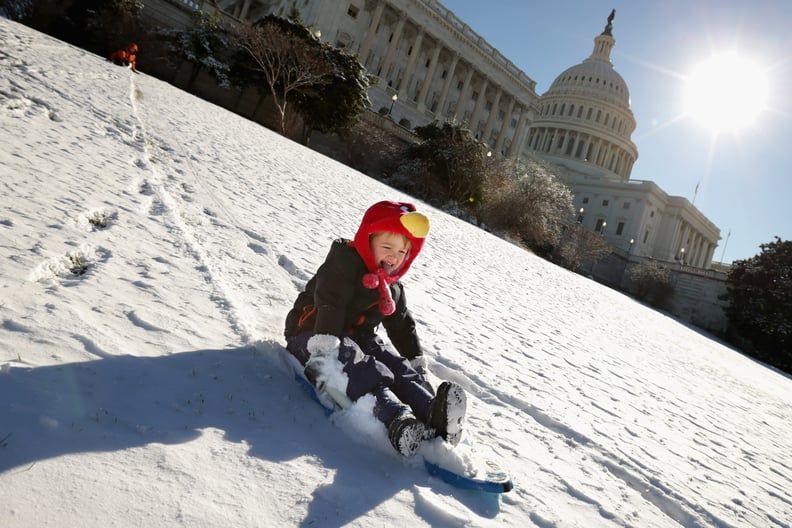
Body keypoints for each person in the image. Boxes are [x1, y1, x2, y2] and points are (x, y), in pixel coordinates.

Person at [284, 201, 467, 457]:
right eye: (387, 247)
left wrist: (415, 361)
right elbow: (330, 304)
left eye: (403, 251)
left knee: (395, 364)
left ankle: (431, 410)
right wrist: (325, 350)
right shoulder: (342, 266)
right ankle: (395, 419)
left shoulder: (391, 287)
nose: (394, 256)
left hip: (360, 337)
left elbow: (402, 324)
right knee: (361, 366)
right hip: (313, 334)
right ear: (366, 240)